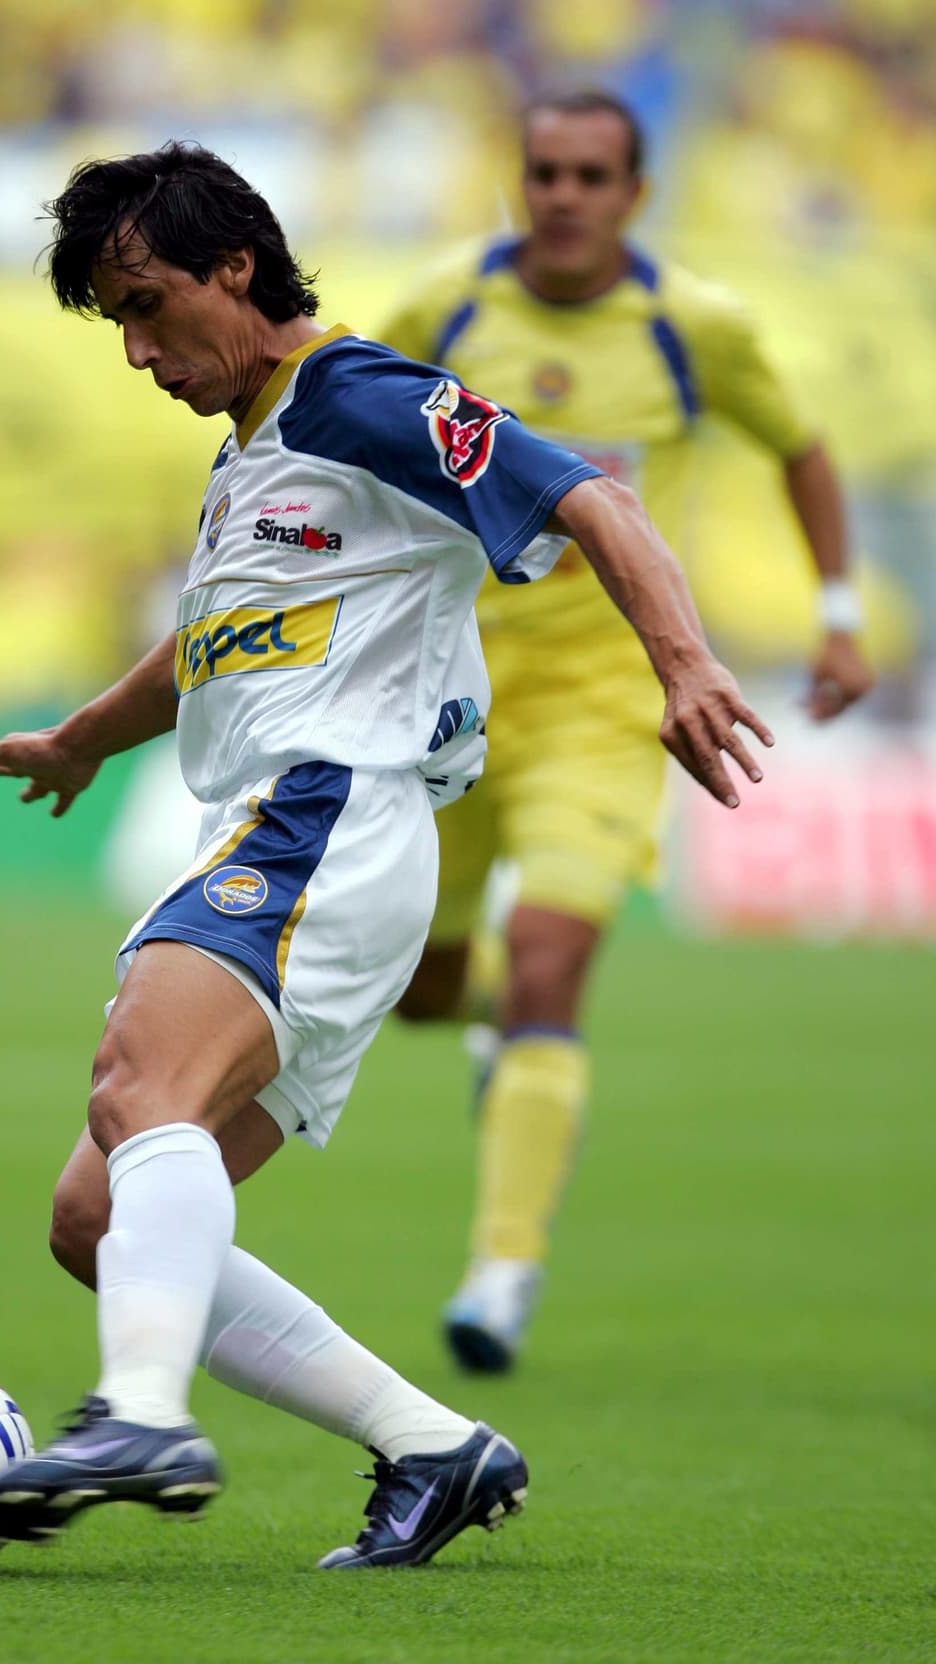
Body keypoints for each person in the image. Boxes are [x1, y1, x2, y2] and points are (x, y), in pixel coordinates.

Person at [0, 141, 771, 1570]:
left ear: (236, 268)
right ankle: (434, 1446)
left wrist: (684, 663)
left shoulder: (356, 393)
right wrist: (84, 739)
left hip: (326, 817)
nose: (138, 351)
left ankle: (141, 1413)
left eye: (147, 306)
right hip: (310, 839)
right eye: (117, 325)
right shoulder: (259, 445)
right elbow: (212, 645)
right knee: (99, 1214)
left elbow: (596, 496)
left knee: (139, 1081)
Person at [378, 89, 873, 1373]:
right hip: (446, 692)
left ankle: (499, 1268)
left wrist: (833, 612)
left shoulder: (690, 326)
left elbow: (799, 447)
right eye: (543, 171)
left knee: (552, 961)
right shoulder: (441, 310)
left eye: (590, 175)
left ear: (633, 193)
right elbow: (347, 439)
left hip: (607, 701)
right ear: (517, 179)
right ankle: (495, 1020)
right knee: (418, 987)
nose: (563, 196)